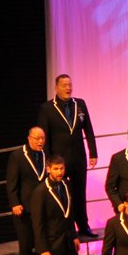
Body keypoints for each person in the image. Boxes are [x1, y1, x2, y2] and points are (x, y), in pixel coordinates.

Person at [36, 74, 98, 237]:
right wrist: (49, 161)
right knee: (61, 195)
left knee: (80, 193)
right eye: (64, 85)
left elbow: (88, 129)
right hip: (59, 162)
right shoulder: (47, 108)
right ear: (56, 88)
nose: (68, 88)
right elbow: (44, 138)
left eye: (69, 85)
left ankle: (83, 226)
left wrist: (93, 152)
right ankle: (66, 230)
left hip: (78, 158)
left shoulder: (80, 104)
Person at [6, 126, 47, 255]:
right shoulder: (17, 156)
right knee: (25, 237)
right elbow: (11, 182)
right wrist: (15, 203)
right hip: (24, 204)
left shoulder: (46, 155)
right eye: (37, 139)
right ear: (29, 139)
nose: (40, 141)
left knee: (42, 234)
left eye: (43, 138)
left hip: (42, 204)